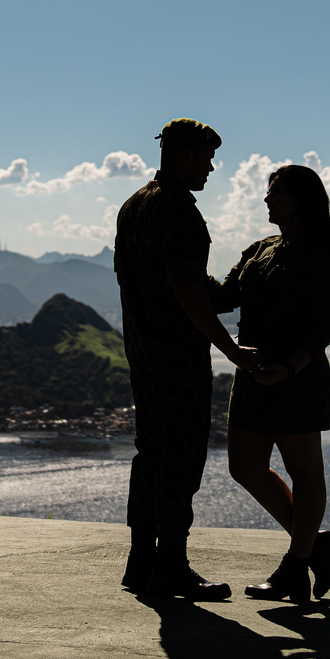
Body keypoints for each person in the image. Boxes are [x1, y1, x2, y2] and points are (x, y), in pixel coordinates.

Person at [114, 117, 259, 600]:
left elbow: (168, 286)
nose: (212, 168)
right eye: (207, 158)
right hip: (177, 360)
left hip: (143, 356)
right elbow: (185, 291)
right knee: (180, 459)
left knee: (150, 455)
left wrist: (226, 291)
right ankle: (171, 565)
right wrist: (231, 348)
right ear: (185, 157)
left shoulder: (133, 207)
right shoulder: (178, 211)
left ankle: (141, 561)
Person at [214, 163, 330, 603]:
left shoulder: (319, 260)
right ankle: (313, 544)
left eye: (275, 192)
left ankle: (296, 565)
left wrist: (290, 369)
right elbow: (222, 297)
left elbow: (319, 330)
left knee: (305, 472)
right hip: (254, 378)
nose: (266, 199)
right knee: (245, 467)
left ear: (300, 201)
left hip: (297, 381)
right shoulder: (261, 249)